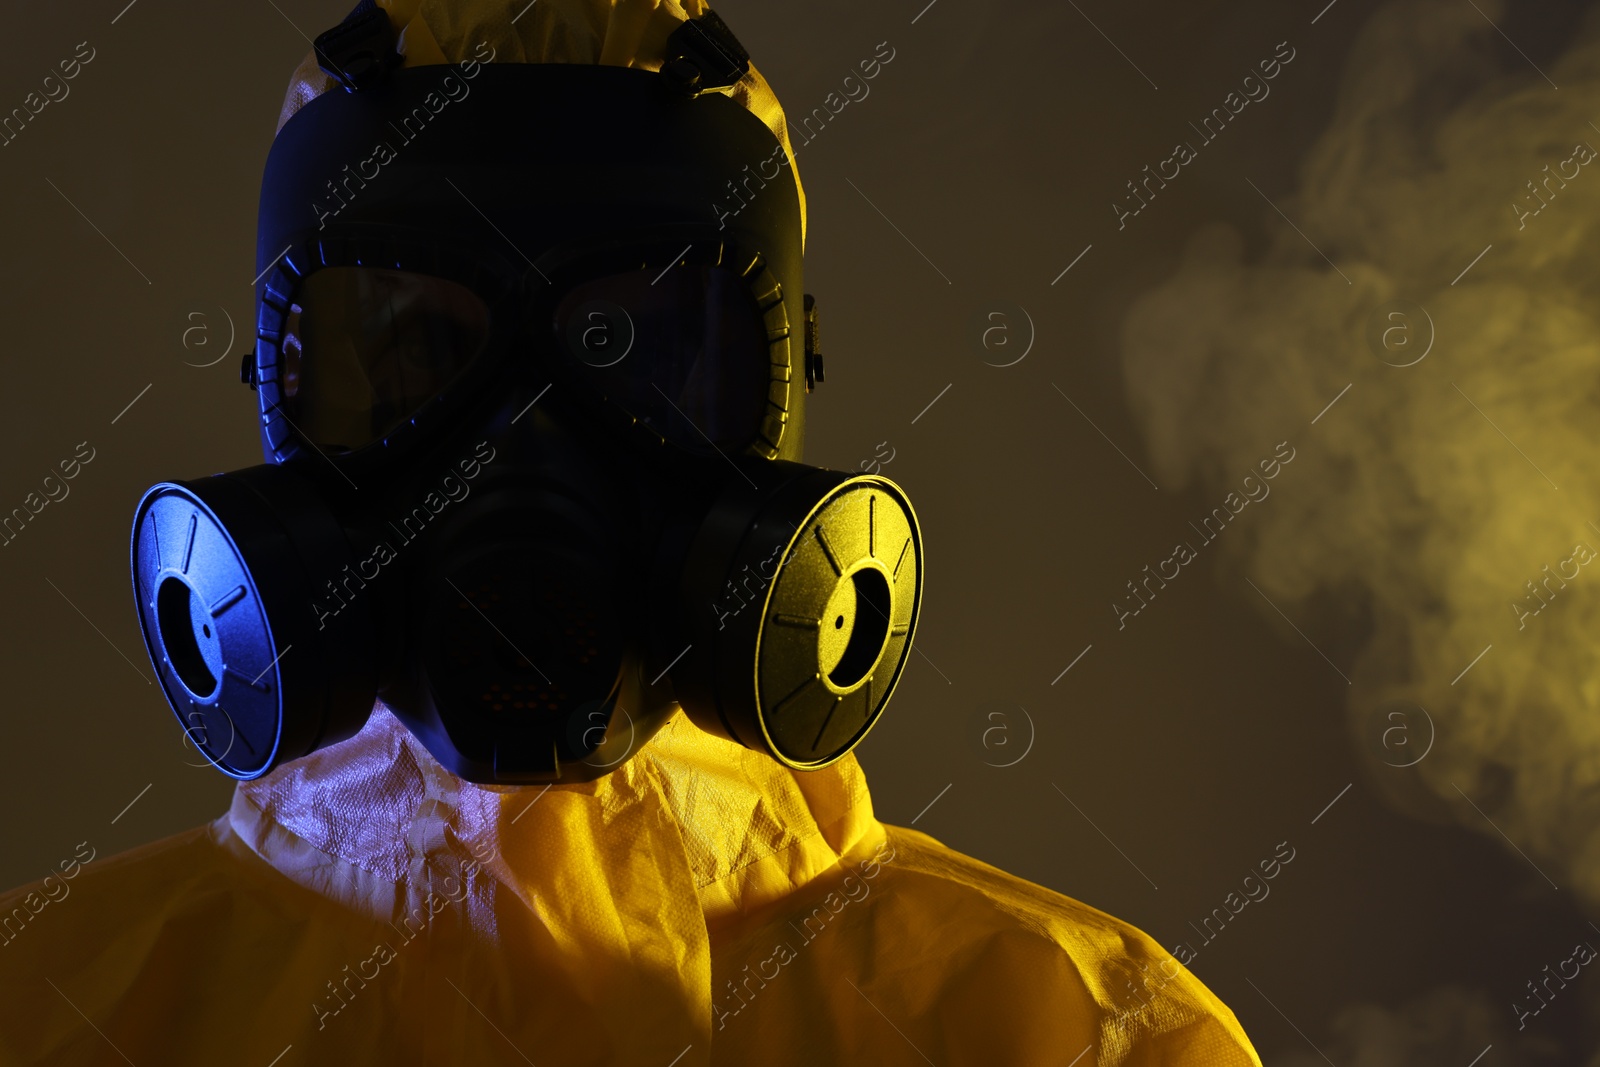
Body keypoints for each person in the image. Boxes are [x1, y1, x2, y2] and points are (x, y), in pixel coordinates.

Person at [0, 1, 1262, 1063]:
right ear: (278, 397)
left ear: (777, 395)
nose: (524, 454)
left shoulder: (1064, 1033)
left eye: (641, 354)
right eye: (415, 354)